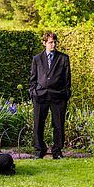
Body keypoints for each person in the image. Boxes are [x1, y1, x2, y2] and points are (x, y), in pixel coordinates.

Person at [28, 31, 70, 159]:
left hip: (58, 96)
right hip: (40, 96)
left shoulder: (63, 58)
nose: (53, 45)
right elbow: (33, 77)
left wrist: (66, 93)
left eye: (55, 42)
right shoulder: (37, 59)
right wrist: (33, 91)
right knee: (38, 124)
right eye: (51, 42)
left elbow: (67, 78)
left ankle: (57, 151)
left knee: (58, 124)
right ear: (44, 43)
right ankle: (39, 151)